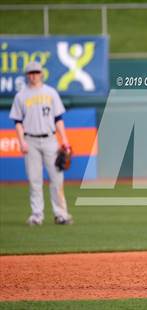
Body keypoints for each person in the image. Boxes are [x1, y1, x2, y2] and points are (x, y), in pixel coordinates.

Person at [9, 61, 73, 226]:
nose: (34, 75)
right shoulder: (21, 96)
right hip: (30, 140)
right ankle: (37, 215)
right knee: (34, 179)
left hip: (50, 139)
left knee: (57, 178)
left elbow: (58, 119)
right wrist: (21, 141)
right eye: (30, 72)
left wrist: (64, 139)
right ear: (27, 75)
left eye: (36, 72)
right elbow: (17, 122)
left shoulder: (51, 93)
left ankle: (61, 214)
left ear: (41, 74)